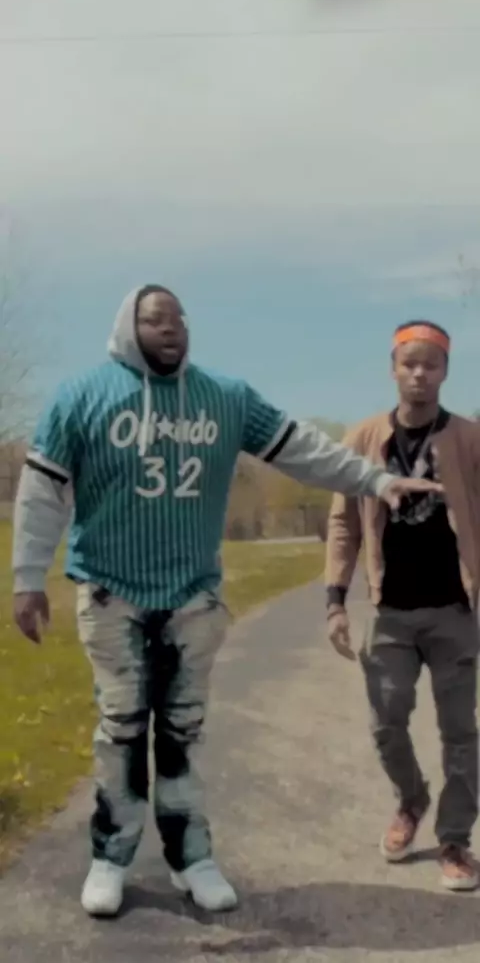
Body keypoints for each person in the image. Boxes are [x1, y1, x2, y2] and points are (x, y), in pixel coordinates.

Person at [12, 288, 440, 918]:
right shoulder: (82, 396)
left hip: (193, 595)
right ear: (128, 326)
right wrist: (27, 577)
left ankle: (192, 858)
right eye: (156, 319)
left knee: (183, 732)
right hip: (110, 591)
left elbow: (304, 450)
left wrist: (375, 479)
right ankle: (111, 857)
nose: (171, 328)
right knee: (121, 729)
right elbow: (42, 491)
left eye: (179, 319)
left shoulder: (225, 397)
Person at [325, 320, 480, 891]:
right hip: (389, 612)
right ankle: (411, 800)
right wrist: (335, 600)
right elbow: (343, 524)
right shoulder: (364, 438)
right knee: (386, 721)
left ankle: (455, 839)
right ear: (393, 369)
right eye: (409, 364)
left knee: (460, 731)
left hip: (454, 612)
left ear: (445, 372)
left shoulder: (468, 439)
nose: (419, 374)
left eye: (430, 364)